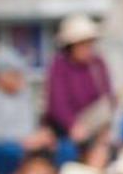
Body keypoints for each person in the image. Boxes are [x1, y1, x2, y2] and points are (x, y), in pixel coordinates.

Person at [0, 47, 56, 174]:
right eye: (15, 74)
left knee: (58, 147)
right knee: (10, 151)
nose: (20, 78)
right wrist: (25, 140)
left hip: (26, 144)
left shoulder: (23, 93)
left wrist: (40, 137)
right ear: (0, 76)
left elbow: (30, 125)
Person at [44, 14, 116, 150]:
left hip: (96, 126)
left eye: (89, 43)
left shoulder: (98, 64)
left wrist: (105, 128)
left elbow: (108, 96)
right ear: (71, 45)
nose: (87, 48)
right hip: (66, 130)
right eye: (82, 44)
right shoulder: (59, 66)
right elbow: (58, 103)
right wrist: (72, 126)